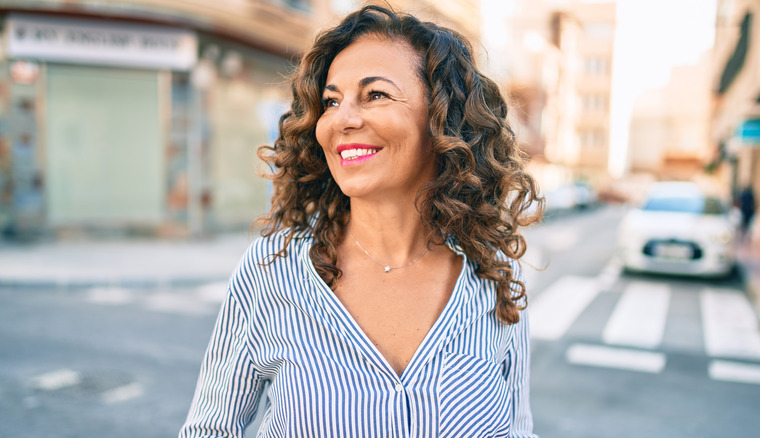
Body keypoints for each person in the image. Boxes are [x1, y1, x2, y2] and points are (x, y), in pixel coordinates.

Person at [180, 5, 542, 437]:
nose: (342, 120)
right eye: (331, 102)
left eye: (375, 95)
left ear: (442, 118)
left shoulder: (493, 276)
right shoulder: (272, 272)